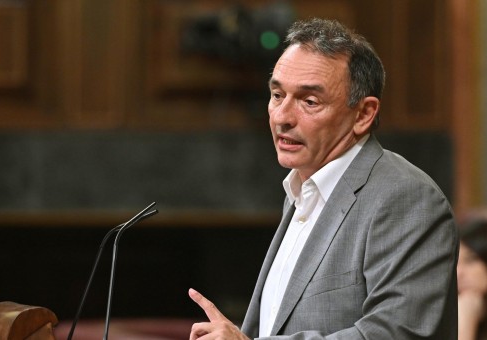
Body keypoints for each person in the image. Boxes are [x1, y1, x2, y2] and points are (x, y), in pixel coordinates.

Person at [189, 18, 458, 339]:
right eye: (277, 95)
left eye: (309, 101)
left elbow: (398, 333)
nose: (283, 118)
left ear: (363, 114)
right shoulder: (300, 190)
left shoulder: (407, 198)